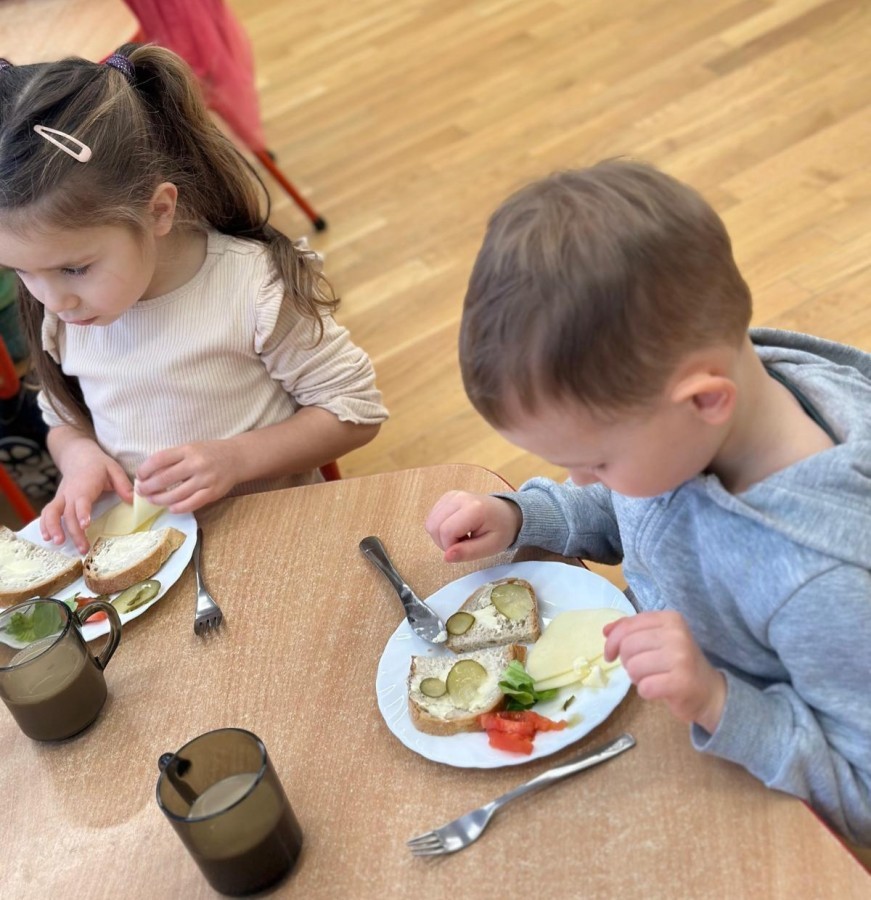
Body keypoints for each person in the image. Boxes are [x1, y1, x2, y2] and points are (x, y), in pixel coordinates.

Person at [425, 160, 871, 846]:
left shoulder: (825, 585)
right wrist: (523, 516)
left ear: (705, 400)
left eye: (596, 462)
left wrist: (717, 700)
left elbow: (860, 795)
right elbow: (647, 510)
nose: (579, 480)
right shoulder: (697, 421)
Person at [0, 47, 387, 553]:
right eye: (20, 271)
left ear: (159, 211)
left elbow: (355, 409)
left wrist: (236, 459)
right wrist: (78, 458)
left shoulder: (250, 288)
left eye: (74, 268)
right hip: (160, 557)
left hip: (280, 542)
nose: (53, 300)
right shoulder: (65, 308)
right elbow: (62, 418)